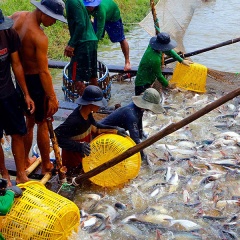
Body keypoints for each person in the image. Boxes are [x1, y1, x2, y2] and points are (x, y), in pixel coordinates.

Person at [10, 0, 67, 175]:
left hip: (21, 79)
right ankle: (47, 165)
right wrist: (52, 97)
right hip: (36, 81)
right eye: (54, 19)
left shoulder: (17, 17)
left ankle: (26, 159)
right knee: (43, 122)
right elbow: (43, 72)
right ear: (44, 14)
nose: (54, 23)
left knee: (29, 122)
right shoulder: (39, 37)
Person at [54, 85, 127, 175]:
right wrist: (79, 147)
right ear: (91, 104)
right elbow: (56, 136)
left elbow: (96, 127)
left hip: (83, 158)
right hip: (73, 162)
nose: (100, 107)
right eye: (99, 104)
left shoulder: (88, 114)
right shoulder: (74, 120)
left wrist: (116, 130)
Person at [0, 9, 35, 185]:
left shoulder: (9, 33)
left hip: (8, 93)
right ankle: (5, 175)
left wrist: (26, 93)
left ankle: (21, 173)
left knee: (18, 133)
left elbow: (16, 64)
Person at [99, 88, 165, 158]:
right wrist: (143, 157)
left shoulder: (138, 108)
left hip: (114, 130)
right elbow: (135, 140)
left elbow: (139, 126)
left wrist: (142, 137)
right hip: (102, 133)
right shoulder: (131, 115)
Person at [83, 0, 131, 71]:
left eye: (91, 5)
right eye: (88, 5)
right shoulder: (86, 8)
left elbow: (100, 30)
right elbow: (87, 17)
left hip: (113, 16)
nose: (89, 7)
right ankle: (89, 61)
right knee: (92, 37)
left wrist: (94, 44)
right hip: (99, 16)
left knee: (121, 39)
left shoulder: (100, 11)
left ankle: (127, 62)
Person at [64, 0, 99, 96]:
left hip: (83, 43)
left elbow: (81, 24)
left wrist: (71, 45)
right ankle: (96, 101)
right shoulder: (76, 1)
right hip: (90, 40)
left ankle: (85, 106)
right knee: (92, 75)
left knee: (76, 77)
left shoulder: (71, 2)